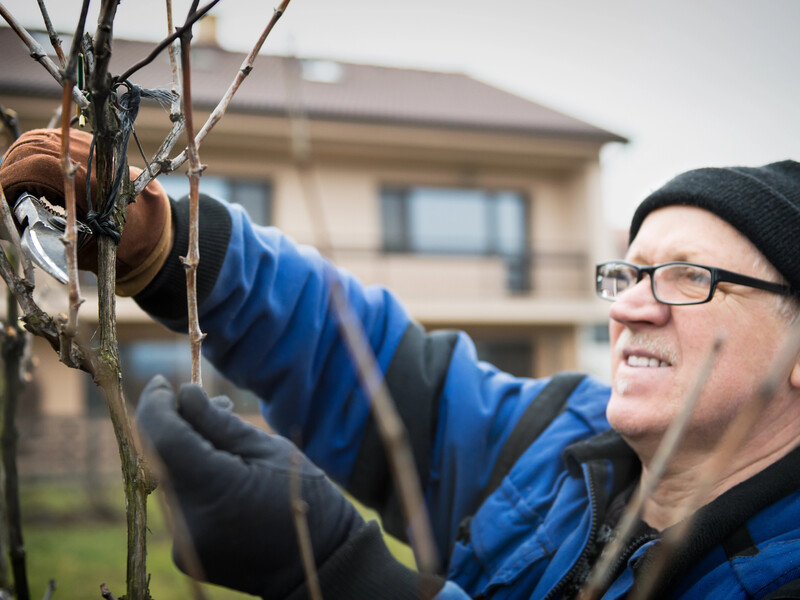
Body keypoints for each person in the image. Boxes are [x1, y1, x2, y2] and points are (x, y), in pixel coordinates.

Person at [2, 128, 800, 600]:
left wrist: (343, 575)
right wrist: (170, 243)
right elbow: (356, 356)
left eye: (689, 278)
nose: (629, 307)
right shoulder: (556, 445)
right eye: (625, 274)